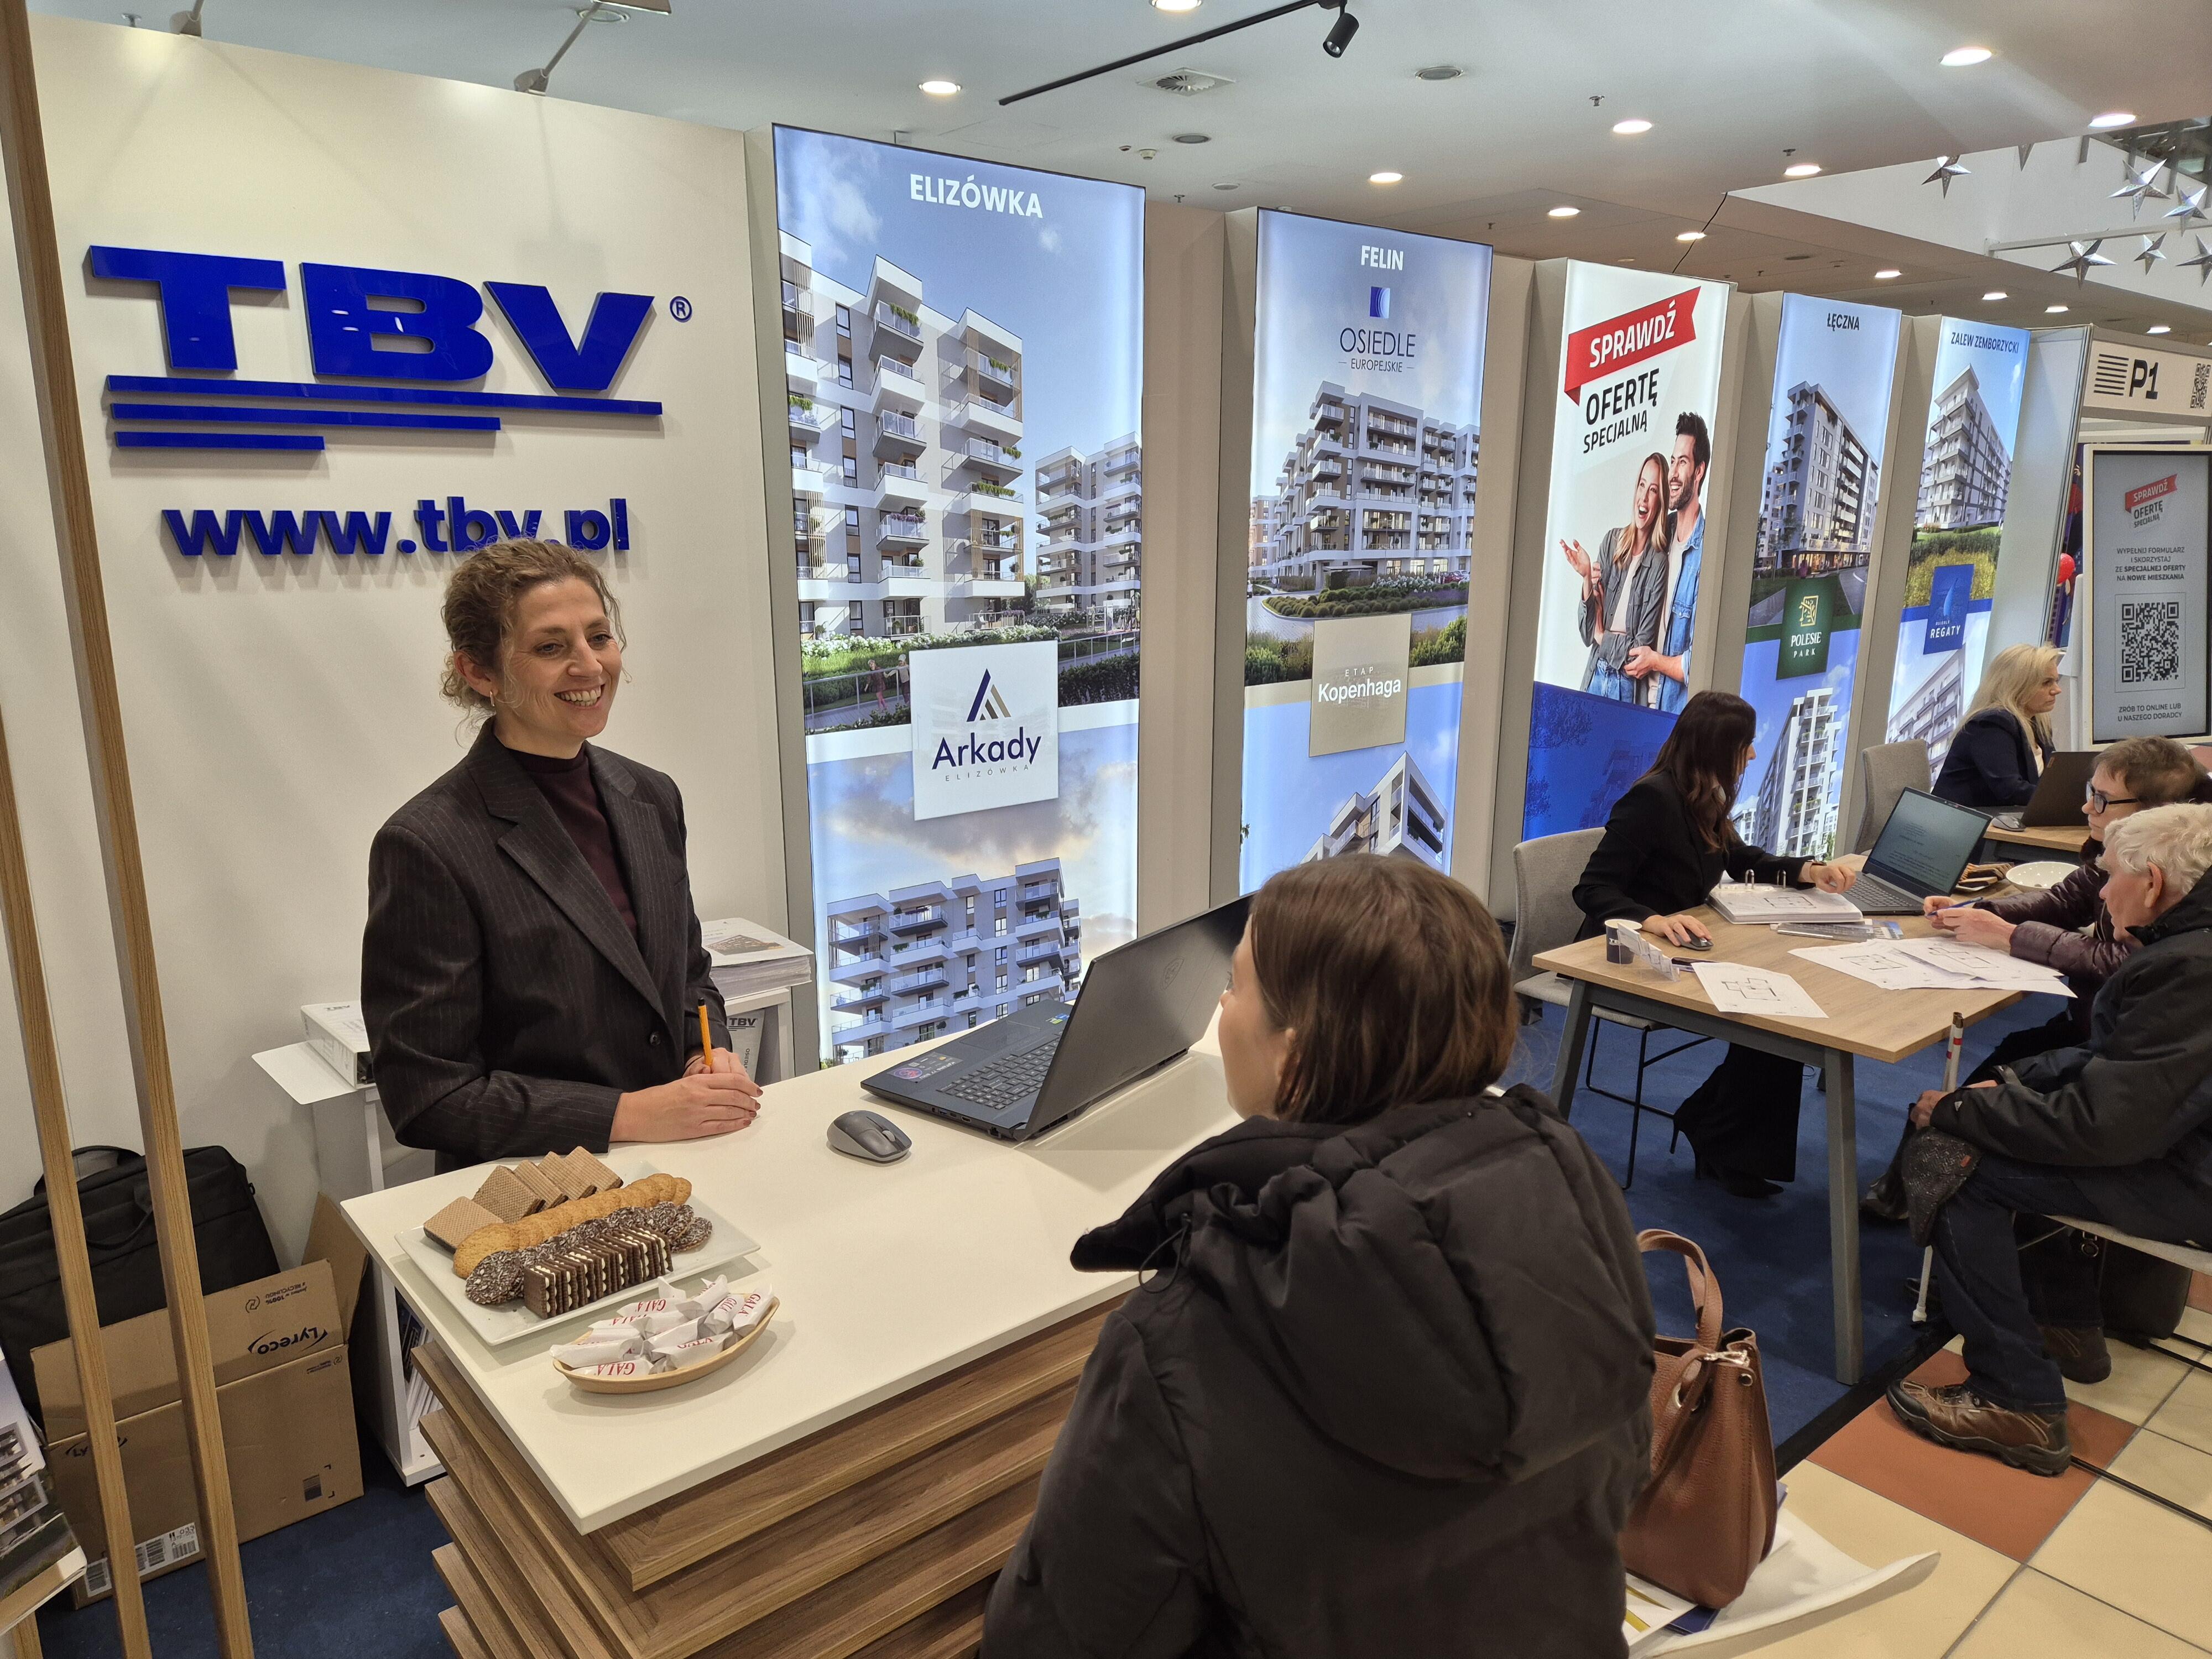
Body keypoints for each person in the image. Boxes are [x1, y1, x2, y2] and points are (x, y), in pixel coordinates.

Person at [980, 856, 1655, 1659]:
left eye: (1233, 987)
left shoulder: (1186, 1335)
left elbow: (1053, 1638)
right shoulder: (1573, 1215)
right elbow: (1621, 1483)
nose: (1219, 1009)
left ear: (1291, 1057)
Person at [363, 539, 762, 1170]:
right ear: (480, 672)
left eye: (599, 637)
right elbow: (428, 1096)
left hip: (677, 1163)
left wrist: (702, 1052)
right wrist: (629, 1115)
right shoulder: (427, 843)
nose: (590, 665)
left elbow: (686, 973)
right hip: (539, 1188)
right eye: (551, 648)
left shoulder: (651, 794)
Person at [1889, 804, 2212, 1474]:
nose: (2103, 893)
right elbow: (2117, 1061)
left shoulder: (2189, 967)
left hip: (2191, 1178)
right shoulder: (2188, 946)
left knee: (1949, 1156)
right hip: (2179, 1147)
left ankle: (2017, 1401)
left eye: (2112, 876)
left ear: (2153, 882)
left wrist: (1960, 1110)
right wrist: (2010, 1082)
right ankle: (2061, 1324)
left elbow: (2100, 1129)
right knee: (2003, 1124)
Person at [1861, 737, 2211, 1222]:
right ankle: (1914, 1186)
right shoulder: (2131, 857)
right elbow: (2062, 901)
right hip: (2107, 1039)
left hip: (2123, 1060)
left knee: (1987, 1089)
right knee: (2002, 1067)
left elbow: (2122, 962)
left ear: (2156, 812)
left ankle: (1929, 1190)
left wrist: (2010, 935)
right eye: (2090, 792)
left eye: (2102, 799)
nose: (2086, 807)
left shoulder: (2179, 898)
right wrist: (1978, 911)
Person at [1574, 691, 1858, 1197]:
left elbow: (1740, 858)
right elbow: (1593, 889)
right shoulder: (1652, 799)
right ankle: (1718, 1132)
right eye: (1745, 745)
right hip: (1625, 954)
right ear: (1718, 748)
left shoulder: (1703, 795)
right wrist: (1652, 920)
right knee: (1775, 1017)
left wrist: (1809, 870)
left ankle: (1717, 1130)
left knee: (1784, 1013)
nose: (1752, 755)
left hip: (1690, 944)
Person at [1563, 452, 1671, 704]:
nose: (1644, 498)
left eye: (1653, 490)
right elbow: (1587, 634)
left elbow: (1640, 651)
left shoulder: (1659, 564)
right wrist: (1586, 579)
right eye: (1642, 485)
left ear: (1661, 501)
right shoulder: (1612, 541)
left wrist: (1603, 637)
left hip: (1627, 687)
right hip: (1595, 673)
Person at [1624, 411, 1710, 714]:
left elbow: (1697, 662)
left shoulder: (1706, 553)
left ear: (1699, 472)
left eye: (1682, 463)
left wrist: (1655, 662)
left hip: (1672, 714)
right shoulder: (1659, 533)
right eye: (1672, 461)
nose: (1672, 474)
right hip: (1633, 699)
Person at [1931, 643, 2061, 811]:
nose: (2057, 690)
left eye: (2055, 681)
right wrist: (2065, 799)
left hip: (2006, 818)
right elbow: (2010, 789)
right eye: (2046, 683)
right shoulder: (1991, 724)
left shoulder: (2039, 724)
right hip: (1961, 821)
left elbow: (2049, 782)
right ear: (2017, 685)